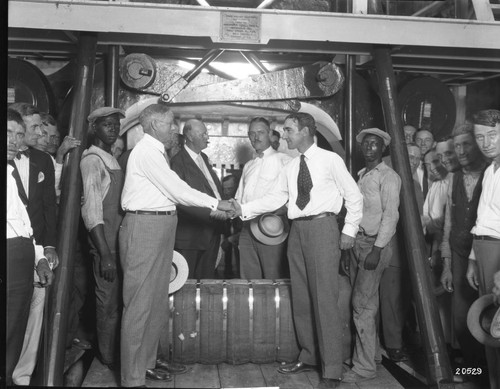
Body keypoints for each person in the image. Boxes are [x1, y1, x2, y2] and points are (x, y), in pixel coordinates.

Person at [230, 112, 363, 389]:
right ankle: (309, 356)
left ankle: (332, 370)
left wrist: (349, 231)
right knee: (301, 299)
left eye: (289, 130)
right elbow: (277, 197)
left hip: (323, 228)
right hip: (297, 231)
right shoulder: (291, 167)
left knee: (324, 300)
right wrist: (243, 209)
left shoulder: (330, 160)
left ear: (305, 131)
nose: (285, 135)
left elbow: (354, 196)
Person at [119, 104, 233, 387]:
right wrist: (215, 202)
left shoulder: (157, 152)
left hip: (160, 225)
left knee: (155, 302)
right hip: (144, 226)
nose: (174, 129)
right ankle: (132, 377)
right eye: (170, 124)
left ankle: (145, 364)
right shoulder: (146, 152)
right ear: (155, 125)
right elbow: (177, 189)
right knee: (138, 305)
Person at [344, 128, 401, 383]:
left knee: (361, 305)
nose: (369, 147)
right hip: (359, 242)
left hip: (374, 245)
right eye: (366, 143)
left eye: (375, 144)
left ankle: (364, 368)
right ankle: (374, 356)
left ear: (383, 148)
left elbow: (391, 215)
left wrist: (377, 250)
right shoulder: (362, 175)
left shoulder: (388, 177)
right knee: (369, 303)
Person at [9, 103, 58, 385]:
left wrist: (49, 245)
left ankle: (22, 373)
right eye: (35, 127)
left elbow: (49, 207)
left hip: (37, 247)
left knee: (36, 308)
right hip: (12, 248)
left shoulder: (43, 161)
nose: (41, 132)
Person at [80, 107, 127, 370]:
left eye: (116, 125)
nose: (113, 129)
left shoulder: (110, 159)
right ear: (93, 128)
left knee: (118, 302)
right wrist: (105, 254)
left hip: (119, 245)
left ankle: (113, 353)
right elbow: (92, 211)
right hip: (106, 246)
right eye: (107, 125)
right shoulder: (92, 161)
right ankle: (106, 358)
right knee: (107, 304)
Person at [440, 123, 487, 373]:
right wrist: (446, 264)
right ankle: (472, 368)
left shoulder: (492, 173)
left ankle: (487, 372)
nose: (461, 150)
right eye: (456, 146)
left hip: (487, 254)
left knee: (487, 313)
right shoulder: (452, 177)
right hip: (459, 254)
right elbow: (448, 223)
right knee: (460, 317)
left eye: (466, 143)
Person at [466, 109, 500, 389]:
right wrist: (473, 259)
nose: (486, 142)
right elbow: (482, 221)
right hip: (484, 248)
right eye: (480, 137)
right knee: (489, 326)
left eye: (492, 134)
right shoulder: (490, 170)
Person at [234, 117, 292, 279]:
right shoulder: (249, 165)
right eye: (252, 134)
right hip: (246, 228)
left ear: (270, 134)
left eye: (260, 132)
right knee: (248, 279)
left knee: (273, 278)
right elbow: (239, 197)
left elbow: (295, 196)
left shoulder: (285, 161)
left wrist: (280, 212)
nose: (256, 137)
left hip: (272, 226)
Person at [170, 119, 226, 279]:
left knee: (205, 283)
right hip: (190, 237)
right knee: (186, 283)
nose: (207, 136)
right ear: (189, 135)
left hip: (211, 233)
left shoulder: (204, 158)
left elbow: (212, 189)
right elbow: (179, 199)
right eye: (203, 133)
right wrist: (211, 213)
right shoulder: (178, 162)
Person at [415, 129, 436, 198]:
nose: (423, 143)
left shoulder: (442, 167)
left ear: (434, 144)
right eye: (419, 140)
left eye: (427, 140)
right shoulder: (408, 167)